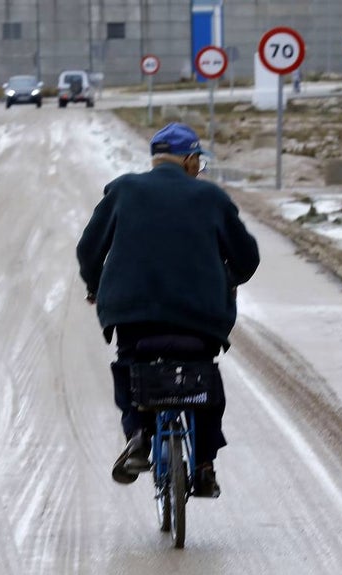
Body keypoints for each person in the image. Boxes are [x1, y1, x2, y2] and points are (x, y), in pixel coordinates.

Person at [76, 122, 260, 498]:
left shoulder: (123, 190)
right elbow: (246, 257)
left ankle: (138, 436)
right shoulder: (212, 198)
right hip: (200, 315)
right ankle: (204, 466)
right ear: (189, 159)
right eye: (198, 162)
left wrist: (95, 286)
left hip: (133, 313)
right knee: (203, 379)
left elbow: (89, 249)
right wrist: (227, 280)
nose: (199, 169)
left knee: (130, 367)